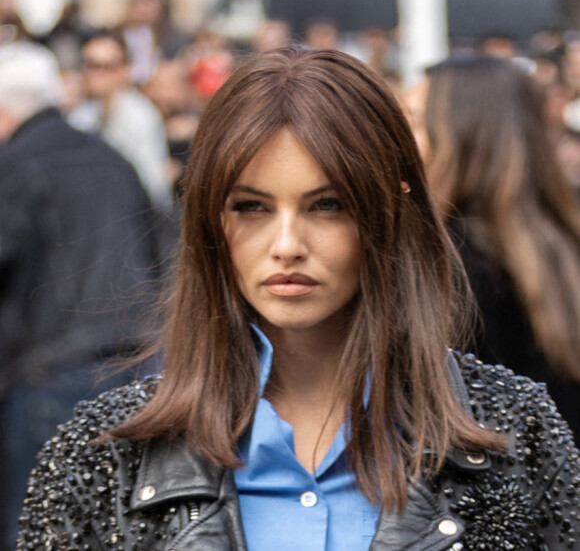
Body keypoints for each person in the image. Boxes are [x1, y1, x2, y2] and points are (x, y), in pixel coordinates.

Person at [17, 47, 580, 551]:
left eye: (327, 204)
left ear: (386, 213)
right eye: (252, 207)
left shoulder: (516, 433)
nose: (287, 246)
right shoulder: (99, 458)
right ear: (211, 220)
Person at [0, 42, 161, 549]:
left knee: (36, 530)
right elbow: (158, 252)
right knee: (120, 528)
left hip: (46, 374)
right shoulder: (110, 158)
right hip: (132, 368)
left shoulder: (16, 165)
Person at [423, 54, 580, 442]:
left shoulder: (448, 261)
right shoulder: (561, 241)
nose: (397, 137)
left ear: (461, 136)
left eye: (412, 120)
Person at [68, 30, 173, 211]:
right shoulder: (78, 115)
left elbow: (152, 184)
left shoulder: (141, 117)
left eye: (105, 66)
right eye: (90, 65)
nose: (95, 74)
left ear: (125, 70)